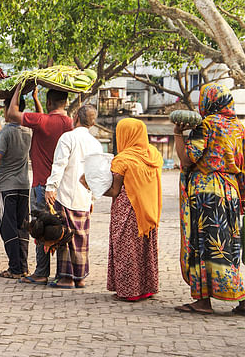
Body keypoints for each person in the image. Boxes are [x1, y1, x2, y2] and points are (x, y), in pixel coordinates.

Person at [173, 83, 245, 314]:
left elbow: (187, 159)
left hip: (206, 194)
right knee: (228, 246)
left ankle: (203, 301)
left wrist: (177, 133)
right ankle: (241, 297)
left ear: (209, 101)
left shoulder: (206, 125)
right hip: (230, 192)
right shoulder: (238, 127)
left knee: (204, 245)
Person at [87, 118, 161, 301]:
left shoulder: (123, 160)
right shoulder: (153, 155)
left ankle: (130, 291)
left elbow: (114, 191)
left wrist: (89, 184)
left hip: (127, 212)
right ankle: (147, 288)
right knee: (145, 250)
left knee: (126, 250)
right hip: (148, 212)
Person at [6, 84, 73, 285]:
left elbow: (11, 114)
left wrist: (18, 88)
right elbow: (42, 120)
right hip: (62, 185)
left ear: (49, 102)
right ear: (66, 102)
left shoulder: (43, 121)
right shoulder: (69, 123)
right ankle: (63, 273)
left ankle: (41, 272)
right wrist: (37, 100)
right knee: (60, 228)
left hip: (42, 184)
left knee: (40, 228)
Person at [43, 105, 102, 289]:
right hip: (84, 197)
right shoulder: (96, 143)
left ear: (75, 117)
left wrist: (50, 187)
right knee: (81, 239)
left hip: (66, 194)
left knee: (65, 237)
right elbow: (96, 175)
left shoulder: (68, 137)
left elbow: (59, 164)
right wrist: (92, 198)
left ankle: (66, 278)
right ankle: (80, 277)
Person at [0, 96, 32, 279]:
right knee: (22, 227)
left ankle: (15, 268)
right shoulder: (29, 130)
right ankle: (23, 266)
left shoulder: (5, 132)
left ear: (10, 110)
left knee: (8, 228)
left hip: (6, 186)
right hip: (24, 185)